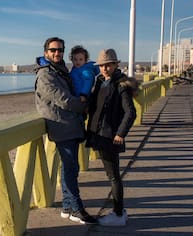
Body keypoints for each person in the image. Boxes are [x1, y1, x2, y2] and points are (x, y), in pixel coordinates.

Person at [34, 37, 97, 225]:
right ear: (46, 52)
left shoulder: (60, 70)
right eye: (53, 50)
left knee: (69, 167)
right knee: (70, 169)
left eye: (60, 50)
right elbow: (63, 99)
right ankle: (77, 209)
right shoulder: (46, 74)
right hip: (61, 125)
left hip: (69, 124)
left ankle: (67, 207)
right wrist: (84, 106)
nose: (57, 53)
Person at [86, 48, 138, 226]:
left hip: (109, 137)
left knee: (113, 176)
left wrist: (120, 134)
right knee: (112, 174)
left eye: (108, 65)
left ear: (116, 65)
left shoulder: (120, 85)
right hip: (98, 135)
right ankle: (119, 212)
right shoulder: (100, 81)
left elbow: (130, 113)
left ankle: (117, 214)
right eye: (101, 66)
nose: (105, 69)